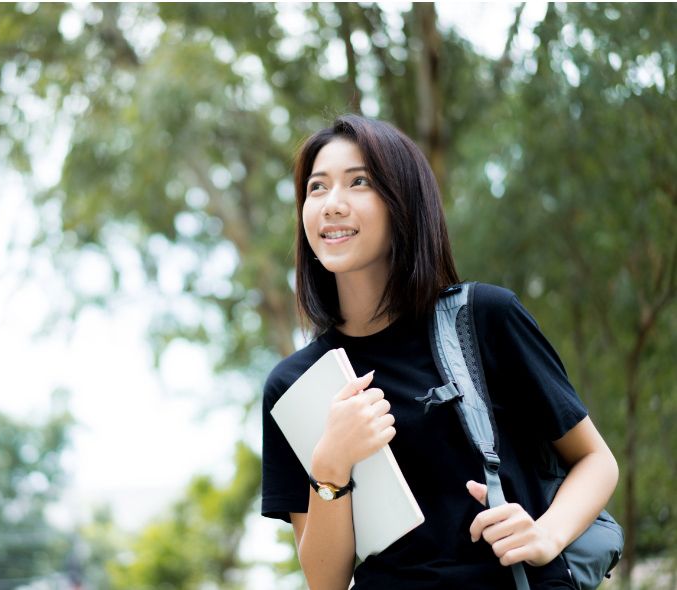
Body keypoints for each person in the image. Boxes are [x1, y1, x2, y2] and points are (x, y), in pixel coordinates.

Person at [260, 114, 619, 589]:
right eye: (317, 188)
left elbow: (596, 460)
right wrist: (330, 463)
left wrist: (546, 534)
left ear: (403, 202)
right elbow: (326, 581)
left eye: (359, 182)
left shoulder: (485, 318)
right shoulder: (296, 385)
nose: (332, 205)